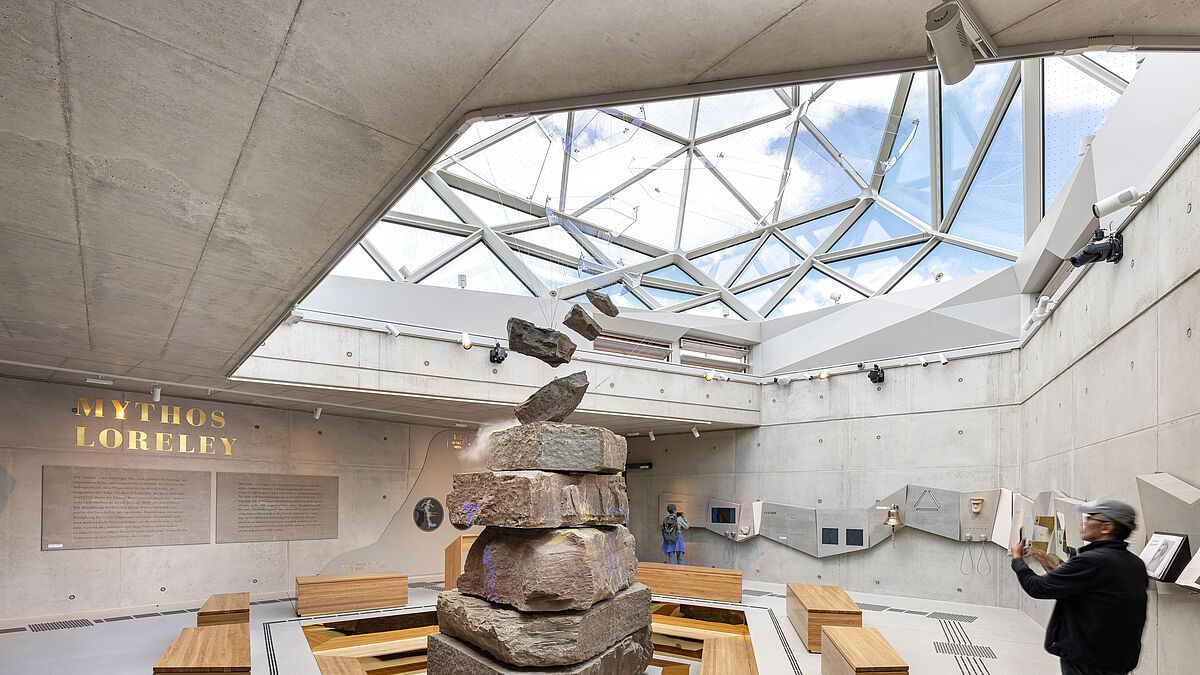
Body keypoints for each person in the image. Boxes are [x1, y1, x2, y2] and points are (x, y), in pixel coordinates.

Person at [1009, 499, 1148, 675]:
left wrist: (1017, 560)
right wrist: (1057, 573)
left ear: (1107, 528)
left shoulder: (1092, 560)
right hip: (1117, 658)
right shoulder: (1135, 563)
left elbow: (1037, 587)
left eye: (1091, 518)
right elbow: (1098, 597)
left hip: (1088, 659)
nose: (1086, 522)